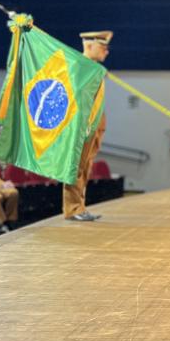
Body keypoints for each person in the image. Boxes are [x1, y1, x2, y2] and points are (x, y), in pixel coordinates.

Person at [63, 30, 111, 222]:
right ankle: (72, 208)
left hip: (95, 125)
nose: (106, 51)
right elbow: (78, 99)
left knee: (85, 167)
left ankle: (79, 207)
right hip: (83, 125)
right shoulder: (80, 67)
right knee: (77, 166)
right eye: (103, 47)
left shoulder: (93, 69)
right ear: (89, 45)